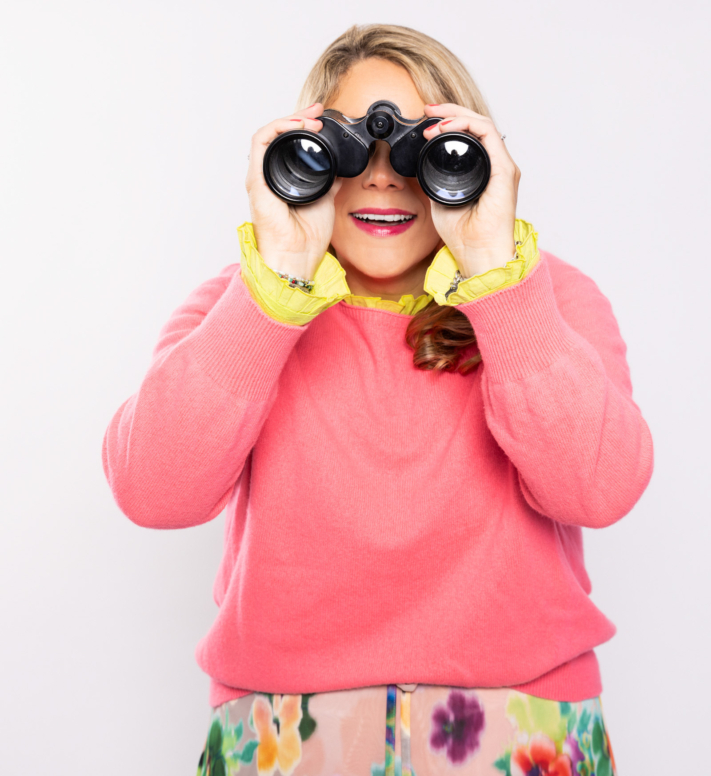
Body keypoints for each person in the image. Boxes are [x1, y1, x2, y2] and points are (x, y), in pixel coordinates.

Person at [102, 22, 653, 776]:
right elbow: (154, 491)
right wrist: (276, 282)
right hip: (286, 735)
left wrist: (495, 275)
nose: (384, 177)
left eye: (424, 150)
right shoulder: (238, 308)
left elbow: (600, 487)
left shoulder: (543, 302)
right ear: (306, 153)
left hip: (520, 727)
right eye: (349, 146)